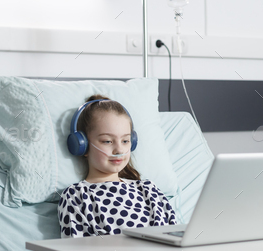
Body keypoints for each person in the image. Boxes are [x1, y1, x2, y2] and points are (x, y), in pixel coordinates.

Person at [58, 94, 177, 238]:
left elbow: (174, 238)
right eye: (107, 141)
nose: (119, 150)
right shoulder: (77, 196)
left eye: (125, 141)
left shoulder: (149, 190)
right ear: (82, 145)